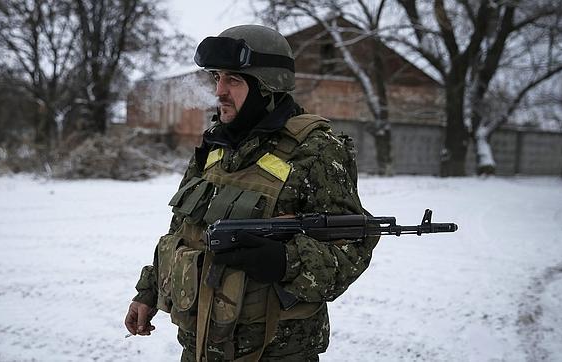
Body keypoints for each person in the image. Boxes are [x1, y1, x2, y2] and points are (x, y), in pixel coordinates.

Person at [125, 24, 379, 361]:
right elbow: (182, 230)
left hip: (277, 352)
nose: (219, 91)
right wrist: (148, 292)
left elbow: (352, 250)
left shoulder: (315, 150)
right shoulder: (214, 145)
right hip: (200, 347)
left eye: (233, 80)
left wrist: (284, 261)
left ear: (267, 86)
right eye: (217, 78)